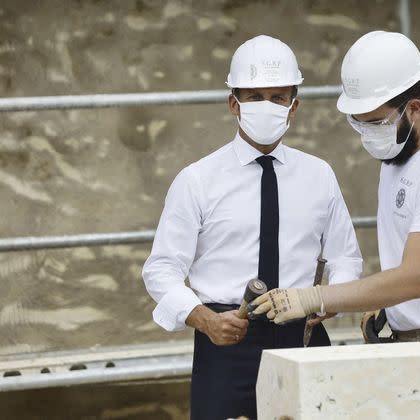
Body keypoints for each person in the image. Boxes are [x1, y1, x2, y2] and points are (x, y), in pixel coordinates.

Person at [249, 31, 420, 414]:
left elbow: (414, 278)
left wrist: (313, 296)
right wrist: (386, 309)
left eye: (376, 122)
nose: (368, 133)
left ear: (413, 109)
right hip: (412, 341)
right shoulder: (398, 159)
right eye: (359, 122)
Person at [142, 35, 362, 420]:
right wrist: (204, 319)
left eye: (278, 98)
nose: (267, 106)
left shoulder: (319, 175)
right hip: (227, 339)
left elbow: (345, 256)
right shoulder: (197, 181)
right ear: (234, 104)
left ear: (294, 107)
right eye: (254, 96)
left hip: (303, 335)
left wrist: (330, 299)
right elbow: (161, 270)